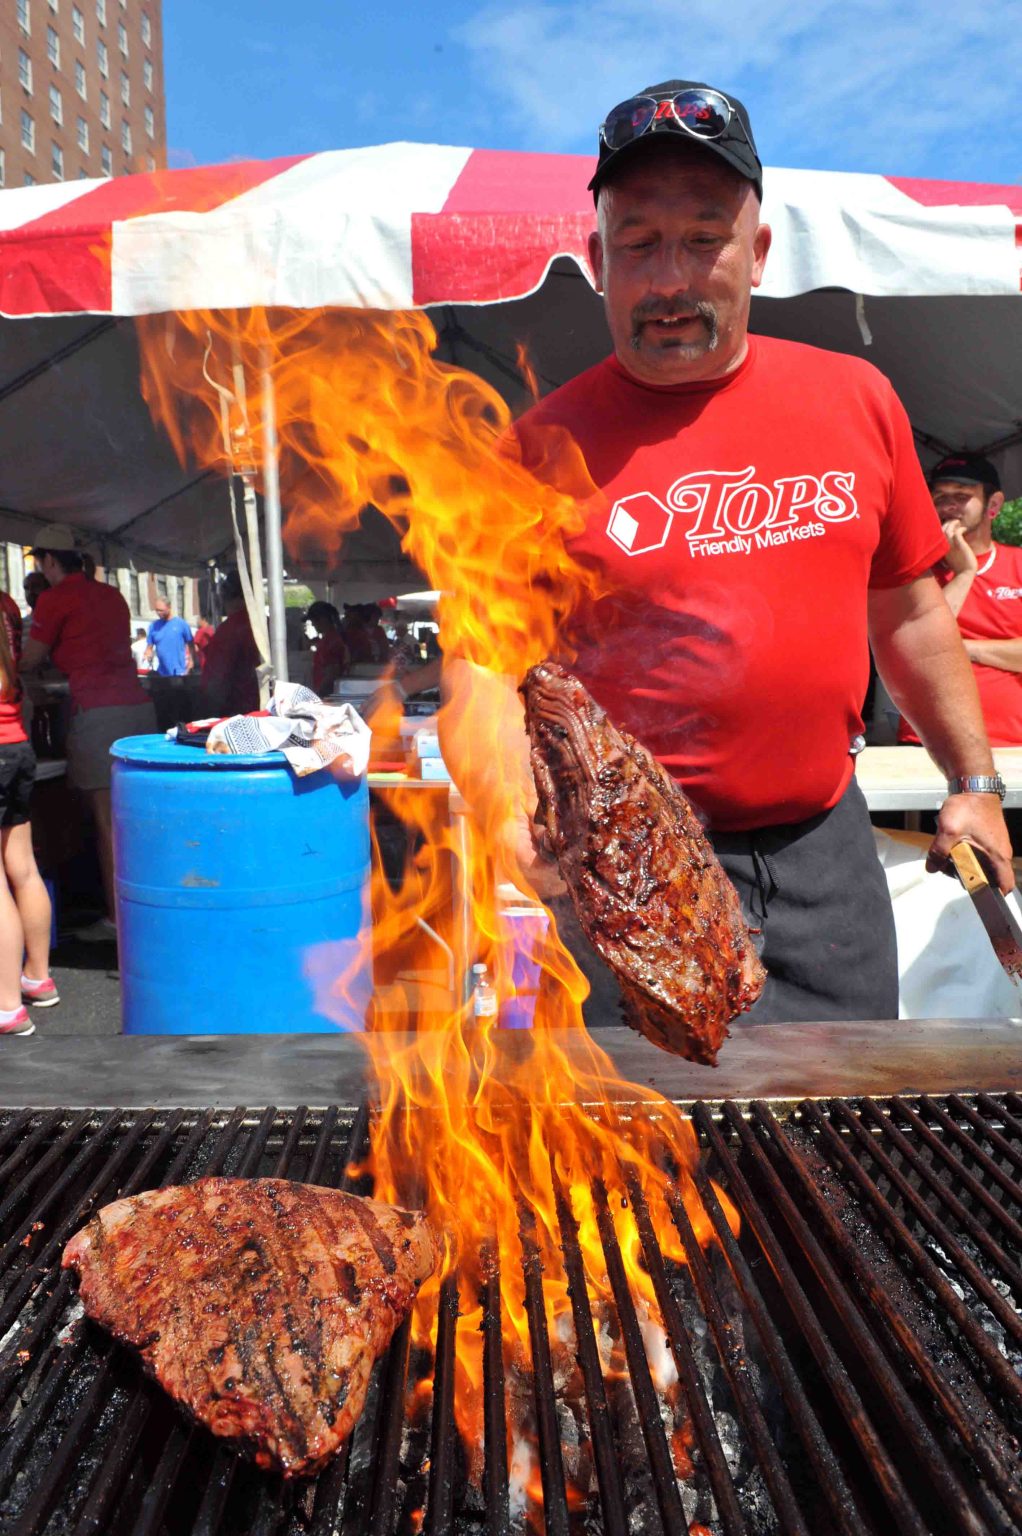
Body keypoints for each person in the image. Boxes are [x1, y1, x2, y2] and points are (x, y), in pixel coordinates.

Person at [441, 78, 1012, 1027]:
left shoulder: (858, 399)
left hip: (825, 862)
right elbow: (481, 663)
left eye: (704, 239)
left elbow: (910, 614)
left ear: (758, 254)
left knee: (836, 1146)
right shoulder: (535, 451)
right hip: (628, 869)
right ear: (595, 262)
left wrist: (977, 784)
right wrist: (503, 804)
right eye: (638, 244)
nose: (670, 278)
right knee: (644, 1159)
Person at [20, 524, 156, 942]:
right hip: (137, 709)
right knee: (136, 816)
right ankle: (146, 907)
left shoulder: (55, 599)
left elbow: (28, 660)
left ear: (48, 561)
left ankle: (119, 920)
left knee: (106, 821)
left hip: (99, 712)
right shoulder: (111, 593)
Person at [898, 455, 1022, 746]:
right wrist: (964, 573)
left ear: (993, 505)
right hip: (925, 743)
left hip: (1010, 742)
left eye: (962, 496)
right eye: (940, 496)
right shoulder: (912, 568)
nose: (949, 505)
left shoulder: (1018, 564)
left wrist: (962, 649)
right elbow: (918, 647)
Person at [0, 586, 58, 1033]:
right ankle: (37, 978)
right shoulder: (5, 603)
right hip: (15, 744)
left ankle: (6, 1007)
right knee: (23, 867)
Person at [200, 570, 262, 717]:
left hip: (237, 711)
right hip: (263, 706)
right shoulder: (265, 624)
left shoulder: (229, 630)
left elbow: (216, 679)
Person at [306, 601, 350, 695]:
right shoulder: (330, 639)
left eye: (313, 621)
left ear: (322, 619)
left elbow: (332, 672)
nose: (313, 624)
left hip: (327, 695)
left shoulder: (331, 641)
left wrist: (319, 694)